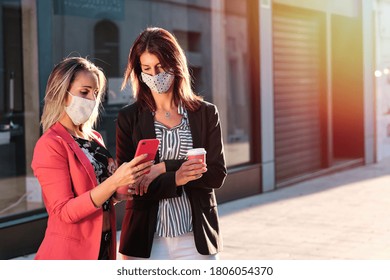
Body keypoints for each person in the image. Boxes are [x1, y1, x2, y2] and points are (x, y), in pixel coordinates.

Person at [116, 27, 227, 260]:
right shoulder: (129, 117)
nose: (154, 75)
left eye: (160, 67)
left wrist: (162, 168)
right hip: (147, 241)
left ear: (175, 65)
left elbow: (216, 175)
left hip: (195, 240)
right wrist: (178, 176)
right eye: (147, 69)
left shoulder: (205, 114)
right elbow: (134, 186)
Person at [31, 57, 153, 260]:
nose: (92, 99)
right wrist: (115, 181)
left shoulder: (94, 138)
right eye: (84, 92)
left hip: (103, 246)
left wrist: (118, 193)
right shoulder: (50, 144)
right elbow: (65, 211)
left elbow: (96, 197)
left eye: (95, 93)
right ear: (63, 94)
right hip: (69, 255)